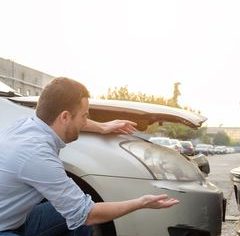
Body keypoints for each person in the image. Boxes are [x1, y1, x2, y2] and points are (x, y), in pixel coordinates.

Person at [0, 77, 179, 236]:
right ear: (65, 117)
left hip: (16, 220)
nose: (85, 121)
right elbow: (87, 214)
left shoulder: (28, 125)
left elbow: (67, 120)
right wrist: (141, 203)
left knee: (71, 215)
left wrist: (102, 127)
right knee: (82, 214)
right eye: (84, 116)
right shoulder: (36, 154)